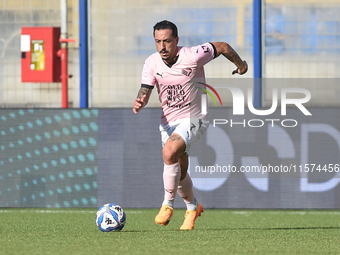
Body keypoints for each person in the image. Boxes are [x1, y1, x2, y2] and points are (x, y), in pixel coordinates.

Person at [132, 20, 247, 230]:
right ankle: (193, 207)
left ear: (176, 40)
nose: (162, 47)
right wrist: (141, 99)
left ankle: (167, 204)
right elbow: (145, 89)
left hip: (195, 118)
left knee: (169, 153)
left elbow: (221, 46)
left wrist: (241, 65)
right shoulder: (151, 63)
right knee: (180, 170)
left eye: (167, 41)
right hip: (168, 123)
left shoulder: (193, 55)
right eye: (158, 42)